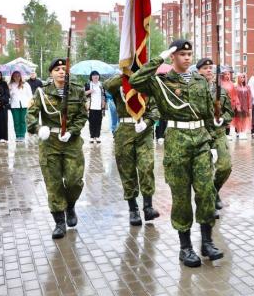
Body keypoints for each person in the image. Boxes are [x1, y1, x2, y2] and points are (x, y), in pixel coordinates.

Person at [129, 40, 224, 267]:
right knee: (181, 197)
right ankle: (185, 248)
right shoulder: (161, 82)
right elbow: (136, 80)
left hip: (201, 140)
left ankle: (207, 242)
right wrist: (159, 58)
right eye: (182, 54)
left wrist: (213, 144)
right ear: (173, 56)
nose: (187, 58)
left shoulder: (201, 81)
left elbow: (208, 113)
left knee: (205, 193)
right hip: (177, 143)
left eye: (190, 54)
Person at [27, 58, 88, 239]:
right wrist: (39, 129)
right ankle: (59, 222)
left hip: (71, 143)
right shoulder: (42, 92)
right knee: (53, 184)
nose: (61, 72)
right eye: (57, 69)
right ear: (51, 73)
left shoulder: (77, 90)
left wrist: (72, 131)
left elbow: (82, 116)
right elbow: (30, 115)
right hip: (49, 143)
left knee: (74, 181)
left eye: (64, 69)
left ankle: (70, 205)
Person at [104, 74, 160, 226]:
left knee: (146, 167)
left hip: (144, 131)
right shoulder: (119, 84)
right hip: (124, 131)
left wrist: (147, 122)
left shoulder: (148, 86)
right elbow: (107, 85)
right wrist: (125, 74)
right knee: (127, 171)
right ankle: (133, 209)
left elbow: (156, 109)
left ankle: (148, 207)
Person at [197, 58, 234, 217]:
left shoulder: (220, 90)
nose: (209, 71)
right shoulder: (194, 89)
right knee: (205, 171)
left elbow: (230, 112)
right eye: (205, 68)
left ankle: (214, 190)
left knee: (225, 166)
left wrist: (222, 119)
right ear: (198, 71)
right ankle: (209, 201)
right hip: (201, 134)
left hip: (218, 134)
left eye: (210, 68)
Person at [8, 71, 33, 142]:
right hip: (14, 105)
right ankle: (17, 135)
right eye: (15, 76)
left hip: (24, 105)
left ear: (20, 76)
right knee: (16, 121)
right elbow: (8, 96)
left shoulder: (26, 84)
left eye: (18, 76)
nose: (17, 77)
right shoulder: (10, 85)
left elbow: (30, 95)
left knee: (23, 120)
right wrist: (10, 91)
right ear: (12, 77)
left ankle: (22, 135)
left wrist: (30, 103)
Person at [84, 71, 106, 144]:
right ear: (91, 77)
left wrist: (104, 104)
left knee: (99, 122)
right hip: (91, 107)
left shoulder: (101, 85)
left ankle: (97, 136)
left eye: (97, 75)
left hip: (99, 107)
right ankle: (92, 137)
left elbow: (104, 95)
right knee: (92, 122)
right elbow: (83, 94)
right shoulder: (88, 84)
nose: (96, 76)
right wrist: (90, 91)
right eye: (94, 75)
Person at [231, 73, 252, 140]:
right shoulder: (235, 86)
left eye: (243, 77)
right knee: (238, 119)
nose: (242, 79)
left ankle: (242, 132)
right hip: (238, 105)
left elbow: (250, 97)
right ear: (238, 78)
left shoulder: (247, 87)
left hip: (245, 105)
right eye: (241, 77)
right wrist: (236, 105)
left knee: (244, 119)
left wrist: (250, 107)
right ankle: (239, 132)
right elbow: (234, 96)